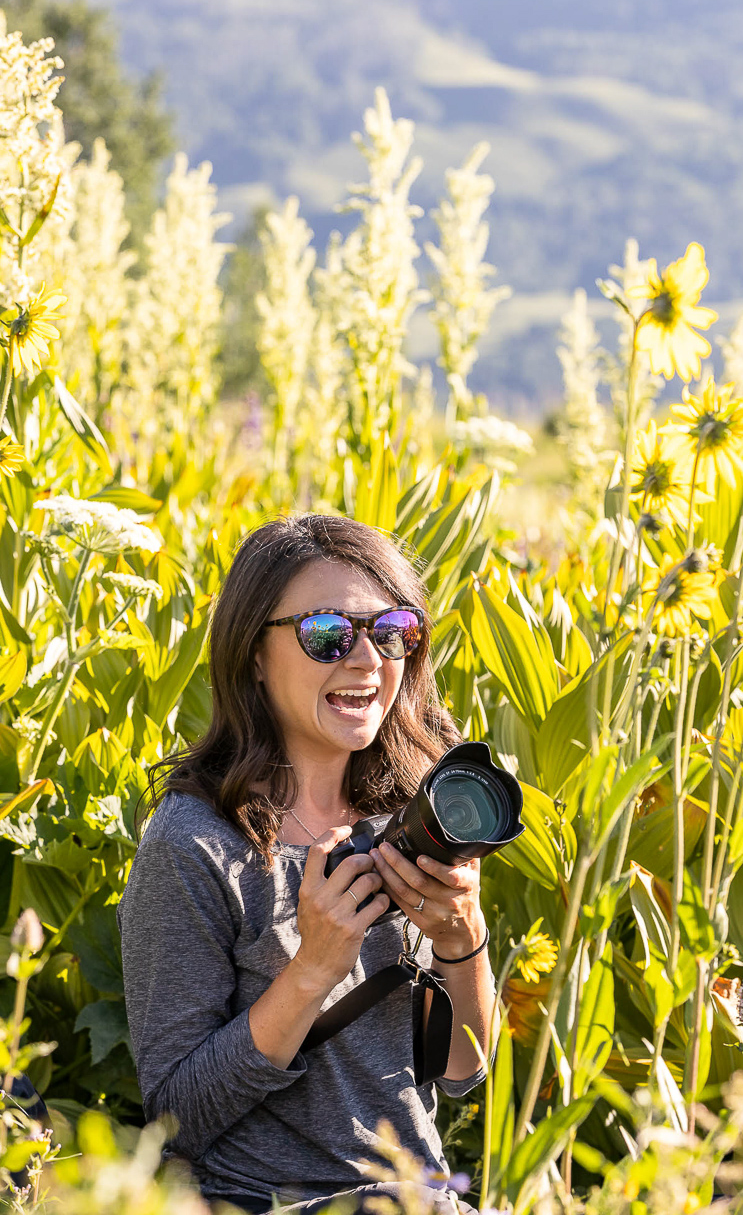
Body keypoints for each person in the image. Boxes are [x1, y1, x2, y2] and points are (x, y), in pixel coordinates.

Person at [118, 514, 495, 1214]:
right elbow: (176, 1118)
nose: (366, 661)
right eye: (328, 633)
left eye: (392, 633)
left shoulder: (415, 816)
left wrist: (459, 939)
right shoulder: (194, 842)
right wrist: (312, 969)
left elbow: (460, 1072)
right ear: (252, 654)